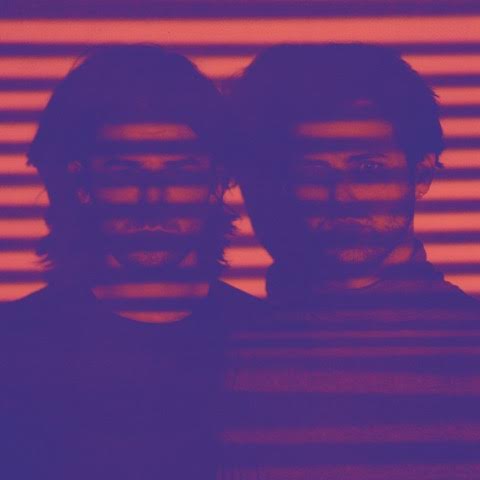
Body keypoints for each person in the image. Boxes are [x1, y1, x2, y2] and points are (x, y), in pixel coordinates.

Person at [219, 43, 480, 479]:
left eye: (368, 168)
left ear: (421, 174)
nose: (341, 197)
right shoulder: (223, 353)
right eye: (311, 171)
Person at [0, 44, 260, 480]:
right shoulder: (13, 349)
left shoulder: (270, 344)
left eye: (180, 170)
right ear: (82, 184)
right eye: (124, 171)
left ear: (216, 183)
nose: (152, 200)